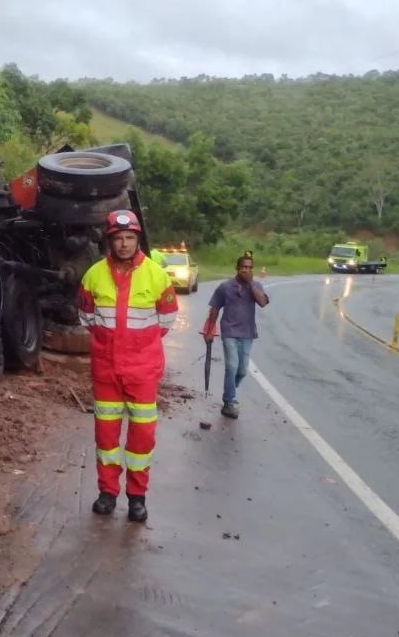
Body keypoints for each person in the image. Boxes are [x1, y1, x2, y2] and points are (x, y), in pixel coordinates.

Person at [77, 209, 178, 522]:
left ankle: (137, 498)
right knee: (106, 437)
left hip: (142, 371)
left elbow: (166, 320)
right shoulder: (93, 275)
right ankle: (107, 493)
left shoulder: (157, 276)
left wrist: (137, 347)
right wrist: (110, 345)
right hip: (106, 371)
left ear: (138, 240)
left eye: (129, 238)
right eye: (118, 238)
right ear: (110, 240)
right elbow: (87, 318)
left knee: (141, 439)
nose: (123, 244)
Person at [201, 255, 269, 418]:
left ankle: (229, 392)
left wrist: (251, 283)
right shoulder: (225, 287)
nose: (246, 270)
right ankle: (229, 402)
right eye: (243, 267)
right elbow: (215, 310)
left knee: (242, 371)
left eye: (249, 267)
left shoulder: (256, 285)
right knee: (232, 366)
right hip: (229, 331)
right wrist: (209, 331)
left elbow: (263, 303)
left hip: (247, 333)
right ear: (237, 268)